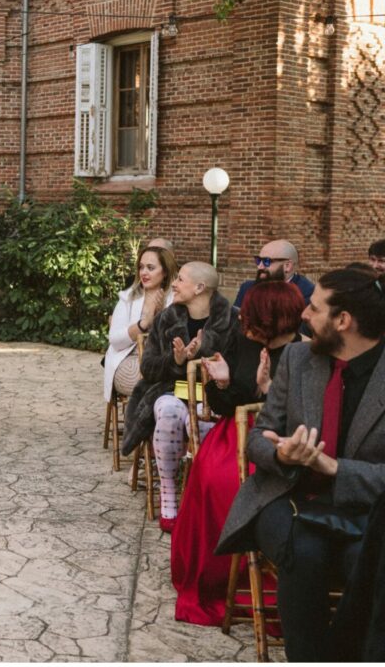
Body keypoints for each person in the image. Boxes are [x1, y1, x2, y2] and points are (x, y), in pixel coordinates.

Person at [216, 267, 385, 662]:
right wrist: (279, 454)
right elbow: (259, 438)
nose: (303, 316)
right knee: (305, 551)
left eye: (313, 307)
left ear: (343, 321)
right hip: (287, 498)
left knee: (368, 562)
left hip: (368, 514)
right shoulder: (297, 359)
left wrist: (336, 469)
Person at [171, 280, 305, 626]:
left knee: (235, 483)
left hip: (282, 440)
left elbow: (305, 416)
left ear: (270, 316)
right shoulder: (242, 343)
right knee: (215, 477)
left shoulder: (305, 353)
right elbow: (220, 406)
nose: (242, 318)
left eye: (250, 313)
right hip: (233, 432)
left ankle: (265, 578)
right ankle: (215, 577)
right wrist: (223, 383)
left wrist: (267, 392)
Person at [122, 262, 238, 531]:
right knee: (170, 412)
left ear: (199, 287)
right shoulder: (166, 318)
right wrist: (175, 361)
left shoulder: (233, 320)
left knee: (201, 422)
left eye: (181, 280)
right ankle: (169, 497)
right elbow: (147, 368)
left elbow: (239, 369)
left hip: (215, 398)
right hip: (169, 392)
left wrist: (206, 356)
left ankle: (203, 500)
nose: (173, 284)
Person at [104, 246, 176, 403]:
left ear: (165, 272)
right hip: (129, 360)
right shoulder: (128, 298)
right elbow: (115, 340)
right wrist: (145, 323)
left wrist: (160, 316)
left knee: (168, 381)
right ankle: (146, 423)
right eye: (141, 267)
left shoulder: (175, 299)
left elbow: (175, 341)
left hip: (163, 361)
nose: (144, 273)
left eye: (150, 268)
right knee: (153, 384)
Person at [233, 239, 315, 307]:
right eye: (258, 260)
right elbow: (236, 322)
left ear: (287, 266)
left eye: (266, 261)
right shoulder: (248, 288)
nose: (260, 266)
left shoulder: (305, 293)